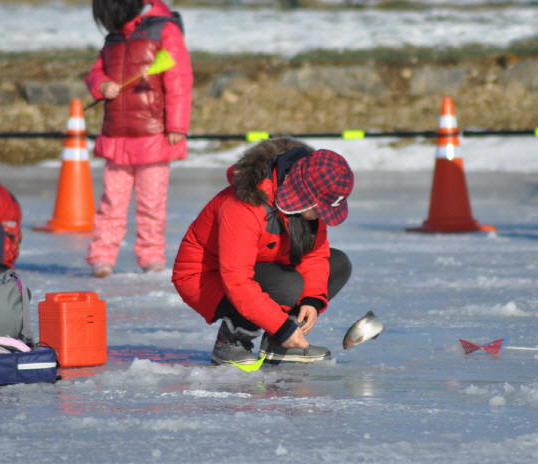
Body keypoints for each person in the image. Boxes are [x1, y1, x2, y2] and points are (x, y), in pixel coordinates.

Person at [172, 138, 354, 365]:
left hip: (264, 266)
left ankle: (278, 344)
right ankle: (231, 341)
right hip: (205, 277)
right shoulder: (244, 206)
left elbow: (314, 255)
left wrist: (312, 301)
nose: (322, 215)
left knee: (338, 264)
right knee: (287, 284)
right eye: (320, 209)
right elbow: (237, 280)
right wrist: (281, 325)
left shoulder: (308, 207)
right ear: (305, 195)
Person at [85, 0, 193, 277]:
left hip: (154, 133)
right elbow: (96, 72)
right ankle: (102, 256)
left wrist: (176, 126)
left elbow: (178, 79)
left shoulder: (164, 30)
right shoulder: (114, 36)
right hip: (117, 134)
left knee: (151, 202)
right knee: (112, 202)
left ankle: (151, 256)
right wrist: (100, 85)